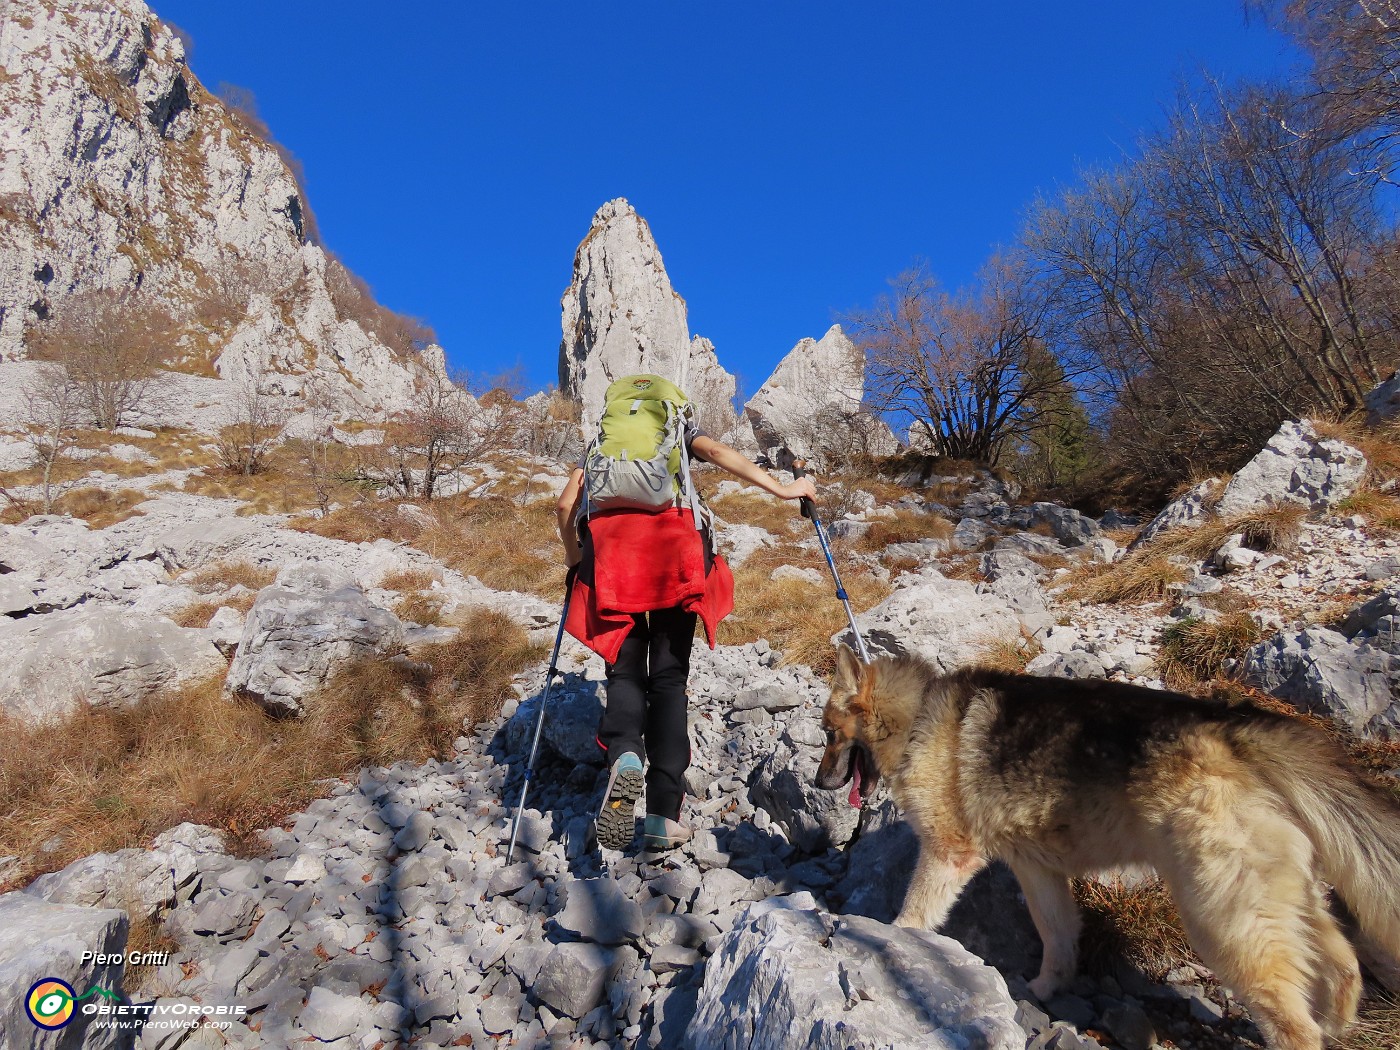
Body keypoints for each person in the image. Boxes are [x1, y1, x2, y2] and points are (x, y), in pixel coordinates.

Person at [556, 400, 816, 852]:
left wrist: (576, 561)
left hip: (612, 556)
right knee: (670, 683)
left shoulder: (602, 443)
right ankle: (661, 818)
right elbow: (717, 453)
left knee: (624, 671)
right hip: (673, 552)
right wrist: (783, 490)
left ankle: (625, 755)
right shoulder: (678, 429)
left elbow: (565, 505)